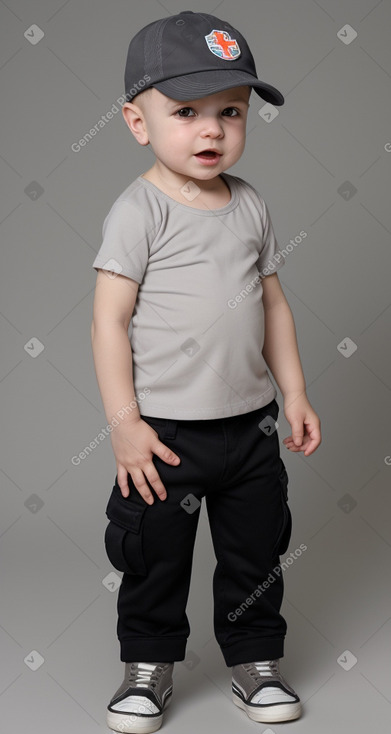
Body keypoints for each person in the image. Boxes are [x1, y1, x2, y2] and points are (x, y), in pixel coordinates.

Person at [91, 10, 321, 733]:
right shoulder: (139, 213)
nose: (211, 131)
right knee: (154, 555)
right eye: (184, 112)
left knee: (255, 554)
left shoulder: (249, 204)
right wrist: (125, 424)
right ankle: (147, 667)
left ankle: (255, 662)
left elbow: (273, 306)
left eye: (230, 111)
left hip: (249, 428)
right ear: (137, 120)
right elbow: (108, 322)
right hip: (164, 433)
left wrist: (293, 392)